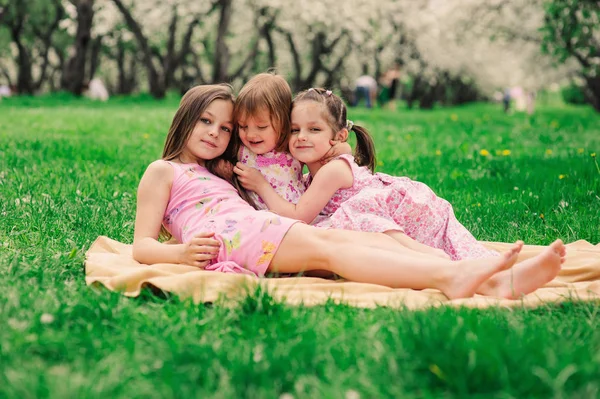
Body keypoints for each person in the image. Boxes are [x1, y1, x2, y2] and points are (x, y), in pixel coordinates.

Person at [133, 84, 565, 299]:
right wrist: (180, 255)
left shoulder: (223, 171)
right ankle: (451, 278)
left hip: (255, 226)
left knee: (351, 237)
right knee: (329, 248)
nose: (216, 133)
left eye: (225, 128)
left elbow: (276, 143)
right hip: (231, 237)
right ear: (184, 117)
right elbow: (141, 246)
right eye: (206, 121)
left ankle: (488, 278)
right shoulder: (162, 170)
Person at [233, 71, 350, 210]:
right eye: (243, 126)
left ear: (283, 125)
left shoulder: (291, 148)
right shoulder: (240, 149)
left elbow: (328, 157)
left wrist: (343, 149)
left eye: (261, 127)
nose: (251, 134)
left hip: (295, 215)